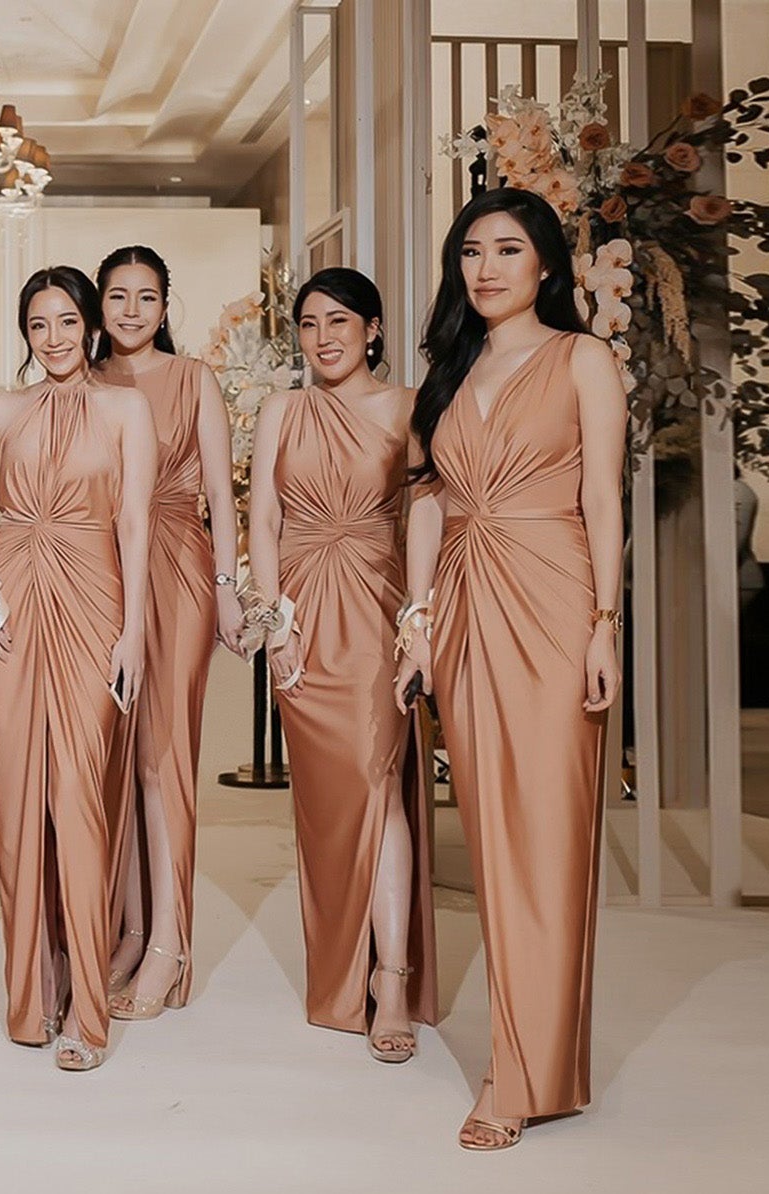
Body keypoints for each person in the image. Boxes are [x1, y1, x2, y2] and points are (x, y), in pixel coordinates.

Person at [391, 188, 628, 1151]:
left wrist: (605, 624)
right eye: (470, 252)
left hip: (554, 596)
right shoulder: (444, 374)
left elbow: (604, 499)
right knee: (489, 835)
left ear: (545, 266)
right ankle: (539, 1061)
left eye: (507, 249)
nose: (485, 268)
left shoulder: (584, 360)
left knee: (552, 836)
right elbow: (424, 505)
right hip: (461, 607)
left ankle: (520, 1073)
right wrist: (415, 623)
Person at [0, 266, 154, 1072]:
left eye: (66, 321)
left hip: (93, 597)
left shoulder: (125, 408)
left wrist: (134, 630)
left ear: (90, 325)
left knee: (77, 791)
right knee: (13, 798)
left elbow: (136, 523)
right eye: (38, 325)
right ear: (24, 333)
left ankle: (89, 1014)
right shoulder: (4, 409)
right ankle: (33, 991)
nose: (54, 338)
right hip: (6, 601)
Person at [244, 267, 439, 1064]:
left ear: (373, 329)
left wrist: (418, 619)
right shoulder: (281, 410)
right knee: (326, 803)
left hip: (372, 609)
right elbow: (261, 520)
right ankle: (341, 966)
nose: (323, 337)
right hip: (299, 621)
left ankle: (390, 978)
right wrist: (273, 623)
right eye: (308, 323)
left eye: (339, 322)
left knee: (373, 781)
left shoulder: (407, 408)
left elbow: (427, 508)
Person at [90, 246, 241, 1020]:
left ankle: (168, 946)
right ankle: (126, 928)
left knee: (162, 756)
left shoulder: (193, 381)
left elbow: (220, 491)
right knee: (108, 758)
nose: (129, 311)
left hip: (177, 566)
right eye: (116, 296)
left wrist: (228, 591)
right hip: (96, 572)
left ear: (164, 304)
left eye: (145, 297)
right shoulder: (80, 381)